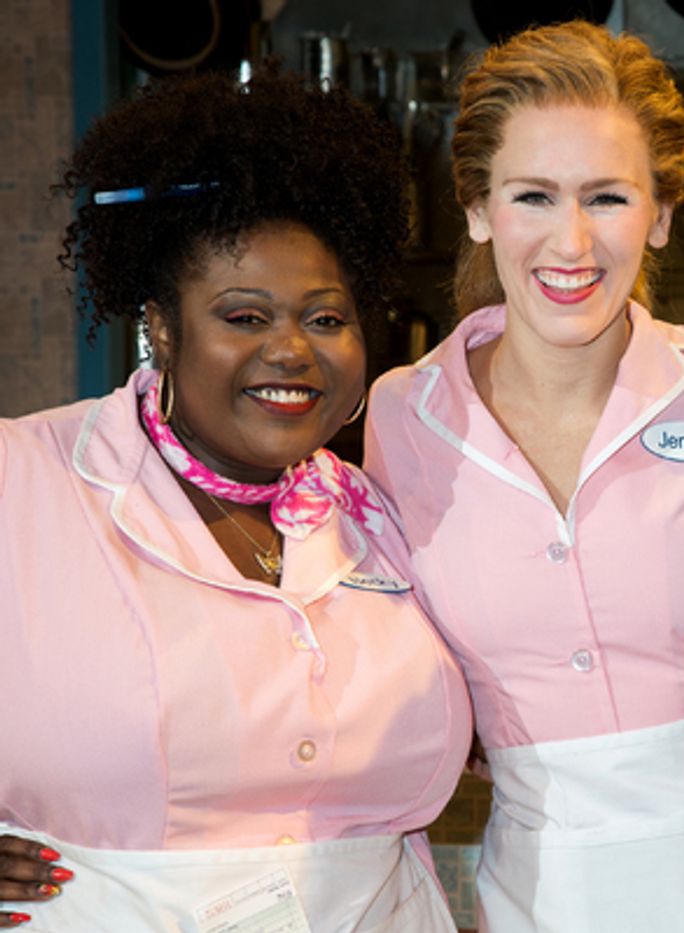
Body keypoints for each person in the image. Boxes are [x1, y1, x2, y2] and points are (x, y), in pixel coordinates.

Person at [362, 20, 684, 933]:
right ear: (477, 206)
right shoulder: (400, 415)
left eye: (610, 197)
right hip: (549, 880)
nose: (572, 240)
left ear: (660, 214)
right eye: (534, 196)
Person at [0, 66, 471, 930]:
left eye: (325, 319)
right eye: (245, 317)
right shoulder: (22, 481)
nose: (292, 349)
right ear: (164, 326)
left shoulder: (386, 515)